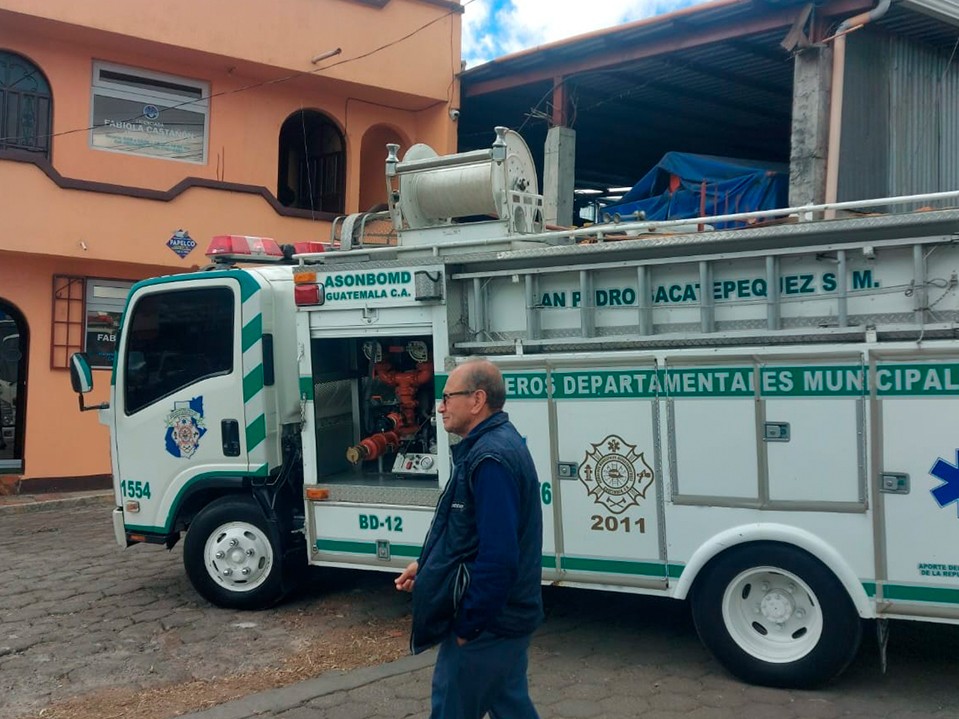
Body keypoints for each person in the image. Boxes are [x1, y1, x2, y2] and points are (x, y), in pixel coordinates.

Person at [395, 358, 543, 719]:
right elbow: (466, 533)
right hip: (506, 621)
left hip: (488, 628)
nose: (441, 406)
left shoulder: (490, 458)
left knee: (451, 710)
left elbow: (499, 557)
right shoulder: (487, 448)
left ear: (477, 400)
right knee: (511, 706)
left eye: (448, 397)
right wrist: (426, 565)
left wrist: (469, 627)